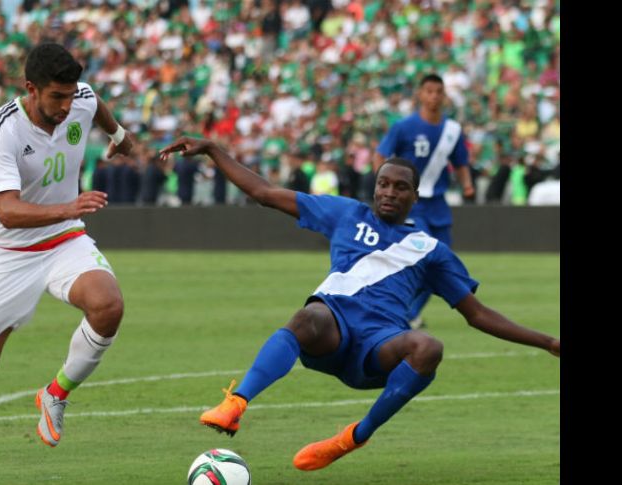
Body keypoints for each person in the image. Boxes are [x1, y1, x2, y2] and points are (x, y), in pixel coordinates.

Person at [159, 136, 559, 473]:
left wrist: (549, 342)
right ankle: (236, 403)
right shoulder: (345, 213)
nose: (389, 192)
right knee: (307, 315)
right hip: (332, 328)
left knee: (429, 347)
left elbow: (478, 314)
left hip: (378, 346)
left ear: (415, 196)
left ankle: (353, 437)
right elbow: (263, 193)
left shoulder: (431, 250)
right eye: (383, 184)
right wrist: (213, 149)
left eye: (400, 187)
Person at [0, 43, 134, 485]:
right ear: (30, 88)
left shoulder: (79, 99)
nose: (65, 105)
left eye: (69, 94)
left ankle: (55, 394)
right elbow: (7, 210)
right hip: (10, 253)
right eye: (56, 97)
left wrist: (119, 137)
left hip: (64, 240)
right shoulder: (3, 128)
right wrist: (69, 206)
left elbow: (95, 104)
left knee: (108, 306)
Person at [374, 73, 475, 329]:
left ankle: (410, 314)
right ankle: (403, 314)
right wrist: (383, 184)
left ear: (444, 96)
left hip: (438, 203)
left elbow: (460, 163)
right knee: (423, 254)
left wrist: (467, 183)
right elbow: (380, 155)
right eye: (429, 91)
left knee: (440, 262)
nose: (433, 97)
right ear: (420, 94)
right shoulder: (403, 127)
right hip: (412, 204)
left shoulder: (452, 130)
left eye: (438, 92)